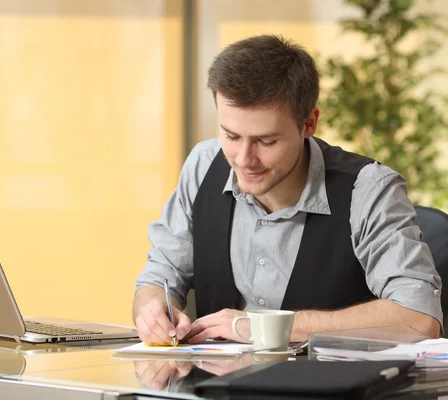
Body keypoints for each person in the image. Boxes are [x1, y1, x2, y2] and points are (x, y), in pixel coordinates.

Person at [132, 34, 442, 346]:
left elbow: (419, 319)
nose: (243, 159)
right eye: (231, 135)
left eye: (266, 141)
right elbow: (159, 277)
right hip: (215, 390)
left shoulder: (369, 189)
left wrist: (263, 327)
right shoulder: (203, 165)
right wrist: (153, 310)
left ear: (309, 123)